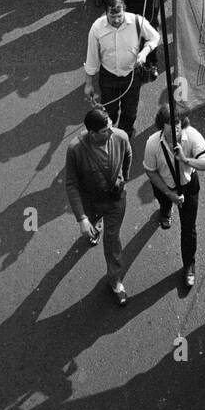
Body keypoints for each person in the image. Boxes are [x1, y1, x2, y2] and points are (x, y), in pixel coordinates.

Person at [65, 106, 132, 308]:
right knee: (92, 226)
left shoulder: (120, 136)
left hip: (115, 201)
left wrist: (124, 179)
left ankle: (115, 281)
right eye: (105, 131)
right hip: (91, 203)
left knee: (112, 241)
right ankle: (94, 226)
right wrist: (82, 218)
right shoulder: (75, 149)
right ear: (92, 133)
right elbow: (71, 184)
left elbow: (128, 155)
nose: (111, 132)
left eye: (110, 126)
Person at [143, 103, 205, 290]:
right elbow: (150, 172)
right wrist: (169, 194)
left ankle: (189, 265)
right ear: (161, 126)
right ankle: (165, 212)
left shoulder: (193, 137)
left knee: (189, 228)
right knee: (164, 204)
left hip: (188, 187)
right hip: (165, 187)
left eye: (178, 123)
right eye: (170, 124)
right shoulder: (152, 144)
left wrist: (185, 159)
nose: (175, 128)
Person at [83, 0, 160, 144]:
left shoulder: (137, 21)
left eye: (120, 16)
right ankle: (109, 137)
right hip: (108, 76)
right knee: (109, 112)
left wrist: (144, 53)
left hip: (132, 75)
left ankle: (124, 139)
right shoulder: (96, 28)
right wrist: (88, 83)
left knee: (130, 112)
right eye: (113, 17)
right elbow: (91, 58)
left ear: (124, 9)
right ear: (106, 13)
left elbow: (155, 37)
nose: (117, 20)